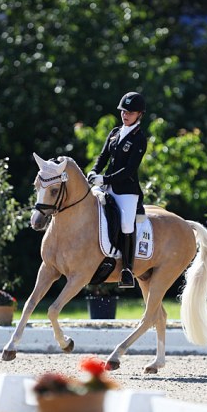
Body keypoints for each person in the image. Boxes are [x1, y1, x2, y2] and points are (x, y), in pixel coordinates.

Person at [87, 91, 147, 288]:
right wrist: (94, 171)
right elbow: (103, 157)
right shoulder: (114, 132)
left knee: (127, 225)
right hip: (107, 186)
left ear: (139, 114)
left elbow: (129, 170)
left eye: (130, 112)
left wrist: (105, 178)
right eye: (123, 111)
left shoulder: (139, 138)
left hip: (126, 192)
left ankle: (127, 269)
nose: (125, 115)